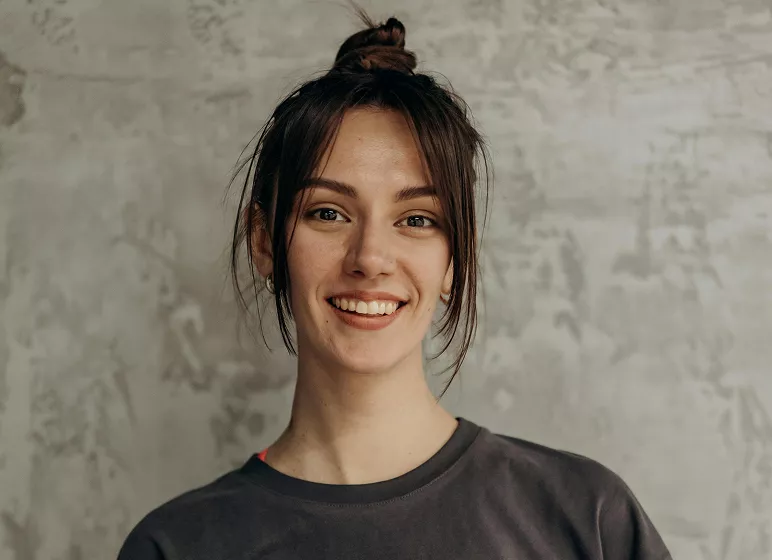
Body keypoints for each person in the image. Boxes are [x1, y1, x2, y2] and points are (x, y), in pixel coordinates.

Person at [117, 8, 672, 560]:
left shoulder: (588, 518)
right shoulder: (177, 545)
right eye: (329, 213)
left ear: (456, 257)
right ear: (264, 240)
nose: (371, 258)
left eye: (417, 220)